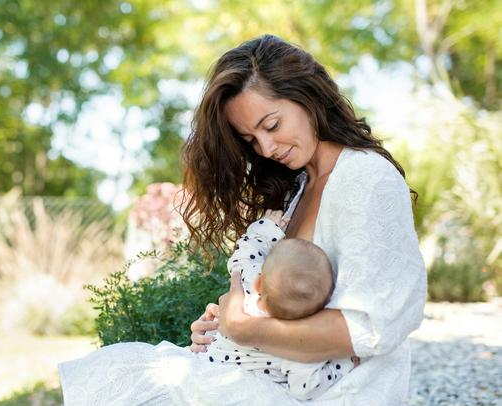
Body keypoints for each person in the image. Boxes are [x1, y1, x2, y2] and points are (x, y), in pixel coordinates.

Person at [58, 34, 426, 405]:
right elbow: (278, 300)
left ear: (307, 97)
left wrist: (244, 329)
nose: (265, 149)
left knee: (143, 379)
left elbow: (373, 326)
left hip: (337, 393)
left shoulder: (365, 178)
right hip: (281, 377)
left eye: (272, 125)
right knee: (130, 370)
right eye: (250, 139)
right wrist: (224, 329)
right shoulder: (298, 188)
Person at [202, 208, 355, 401]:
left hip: (209, 364)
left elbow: (243, 257)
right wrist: (344, 364)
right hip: (243, 392)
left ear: (259, 282)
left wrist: (267, 228)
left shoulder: (249, 283)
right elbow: (307, 388)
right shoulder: (294, 345)